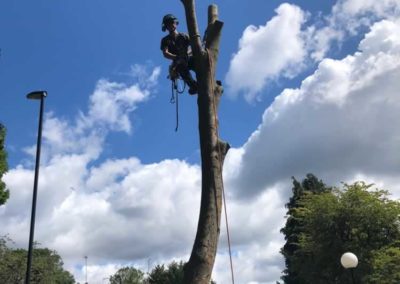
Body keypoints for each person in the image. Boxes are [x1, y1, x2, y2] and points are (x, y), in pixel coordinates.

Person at [160, 14, 197, 95]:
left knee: (199, 63)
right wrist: (177, 58)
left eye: (172, 22)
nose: (171, 25)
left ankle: (204, 79)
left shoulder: (184, 36)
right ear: (166, 27)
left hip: (190, 58)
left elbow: (195, 46)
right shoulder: (165, 40)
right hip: (179, 61)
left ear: (176, 23)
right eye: (168, 24)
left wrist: (187, 54)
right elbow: (165, 53)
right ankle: (193, 86)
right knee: (180, 67)